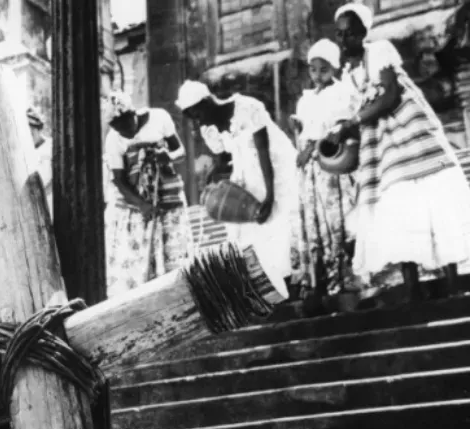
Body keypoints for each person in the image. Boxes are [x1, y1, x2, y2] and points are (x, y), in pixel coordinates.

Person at [327, 2, 470, 301]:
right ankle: (412, 286)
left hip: (410, 135)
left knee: (433, 200)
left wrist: (354, 120)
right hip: (381, 150)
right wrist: (343, 131)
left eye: (351, 34)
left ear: (363, 33)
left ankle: (453, 284)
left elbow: (390, 95)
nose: (345, 40)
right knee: (397, 208)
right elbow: (359, 114)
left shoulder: (378, 50)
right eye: (340, 35)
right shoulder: (348, 75)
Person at [177, 80, 298, 298]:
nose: (197, 121)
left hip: (275, 170)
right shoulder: (208, 129)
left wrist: (270, 196)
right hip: (247, 174)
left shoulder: (247, 107)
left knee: (278, 223)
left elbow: (263, 150)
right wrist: (213, 174)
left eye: (197, 114)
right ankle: (268, 290)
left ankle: (291, 286)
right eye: (192, 118)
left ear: (207, 103)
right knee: (248, 230)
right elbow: (225, 158)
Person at [104, 91, 192, 295]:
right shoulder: (113, 139)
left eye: (126, 127)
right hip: (136, 207)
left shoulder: (159, 117)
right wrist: (141, 205)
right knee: (136, 266)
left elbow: (181, 153)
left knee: (173, 259)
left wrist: (167, 156)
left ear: (133, 114)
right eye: (118, 130)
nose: (125, 134)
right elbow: (118, 179)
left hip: (168, 201)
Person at [291, 38, 359, 299]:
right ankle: (318, 278)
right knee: (314, 220)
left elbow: (340, 128)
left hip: (332, 163)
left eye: (324, 69)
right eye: (313, 70)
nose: (318, 76)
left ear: (334, 67)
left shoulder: (342, 92)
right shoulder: (306, 99)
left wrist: (315, 145)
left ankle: (342, 274)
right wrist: (300, 138)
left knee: (336, 218)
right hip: (310, 168)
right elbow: (305, 133)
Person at [27, 106, 54, 214]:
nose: (30, 136)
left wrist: (42, 194)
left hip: (50, 201)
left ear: (37, 129)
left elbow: (55, 180)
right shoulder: (25, 151)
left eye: (32, 132)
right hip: (33, 206)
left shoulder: (51, 146)